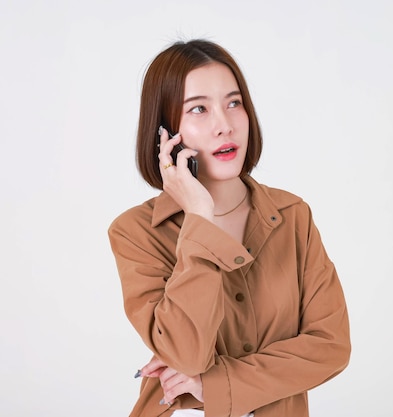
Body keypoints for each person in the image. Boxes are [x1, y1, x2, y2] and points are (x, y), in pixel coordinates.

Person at [107, 39, 351, 417]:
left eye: (234, 103)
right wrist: (199, 218)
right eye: (199, 109)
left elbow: (331, 346)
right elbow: (186, 352)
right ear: (165, 133)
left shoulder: (292, 216)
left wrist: (215, 385)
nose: (225, 125)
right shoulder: (135, 232)